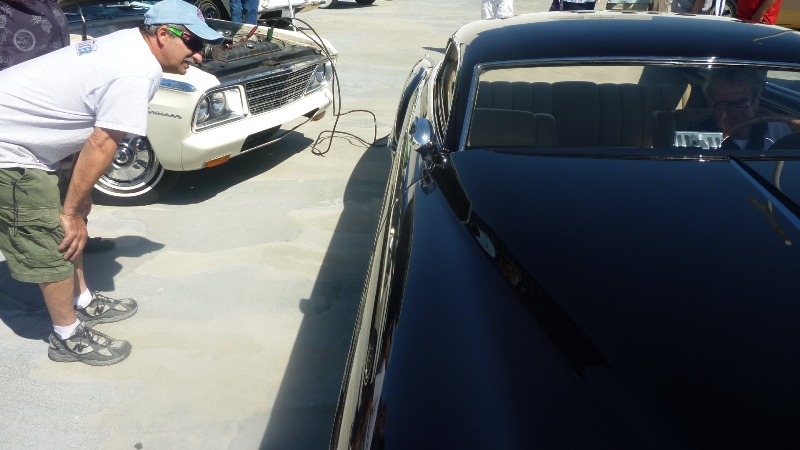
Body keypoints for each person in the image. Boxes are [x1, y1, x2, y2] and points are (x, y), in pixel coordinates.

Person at [0, 0, 222, 366]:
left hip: (31, 142)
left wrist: (78, 196)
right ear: (163, 34)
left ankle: (82, 299)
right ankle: (66, 335)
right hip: (10, 149)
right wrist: (72, 211)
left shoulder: (129, 44)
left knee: (69, 227)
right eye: (194, 44)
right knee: (51, 236)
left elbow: (84, 117)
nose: (199, 55)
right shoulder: (136, 70)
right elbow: (102, 142)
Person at [1, 0, 116, 254]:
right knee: (31, 185)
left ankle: (74, 237)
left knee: (68, 177)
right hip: (22, 109)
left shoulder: (47, 3)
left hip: (57, 102)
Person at [687, 68, 791, 150]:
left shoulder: (777, 130)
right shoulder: (694, 136)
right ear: (711, 104)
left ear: (758, 99)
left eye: (742, 102)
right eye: (723, 104)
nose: (734, 112)